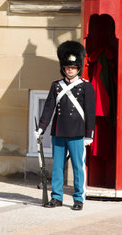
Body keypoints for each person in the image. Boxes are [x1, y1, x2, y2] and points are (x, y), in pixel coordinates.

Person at [34, 40, 96, 211]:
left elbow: (90, 111)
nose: (70, 70)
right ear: (63, 68)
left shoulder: (85, 87)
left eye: (73, 68)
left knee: (77, 166)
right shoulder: (56, 86)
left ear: (78, 68)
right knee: (58, 167)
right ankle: (56, 197)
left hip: (77, 132)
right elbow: (49, 107)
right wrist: (41, 127)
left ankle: (78, 198)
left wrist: (89, 134)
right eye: (68, 67)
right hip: (59, 131)